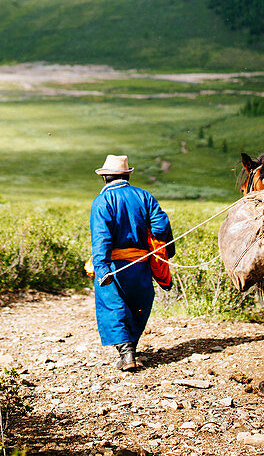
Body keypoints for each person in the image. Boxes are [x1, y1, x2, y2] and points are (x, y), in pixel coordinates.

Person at [89, 154, 172, 371]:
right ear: (127, 175)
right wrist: (167, 251)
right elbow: (161, 227)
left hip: (114, 267)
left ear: (105, 178)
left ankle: (126, 355)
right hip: (141, 264)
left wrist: (101, 269)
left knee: (113, 306)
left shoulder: (102, 201)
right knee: (139, 306)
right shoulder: (145, 196)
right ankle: (131, 350)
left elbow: (101, 237)